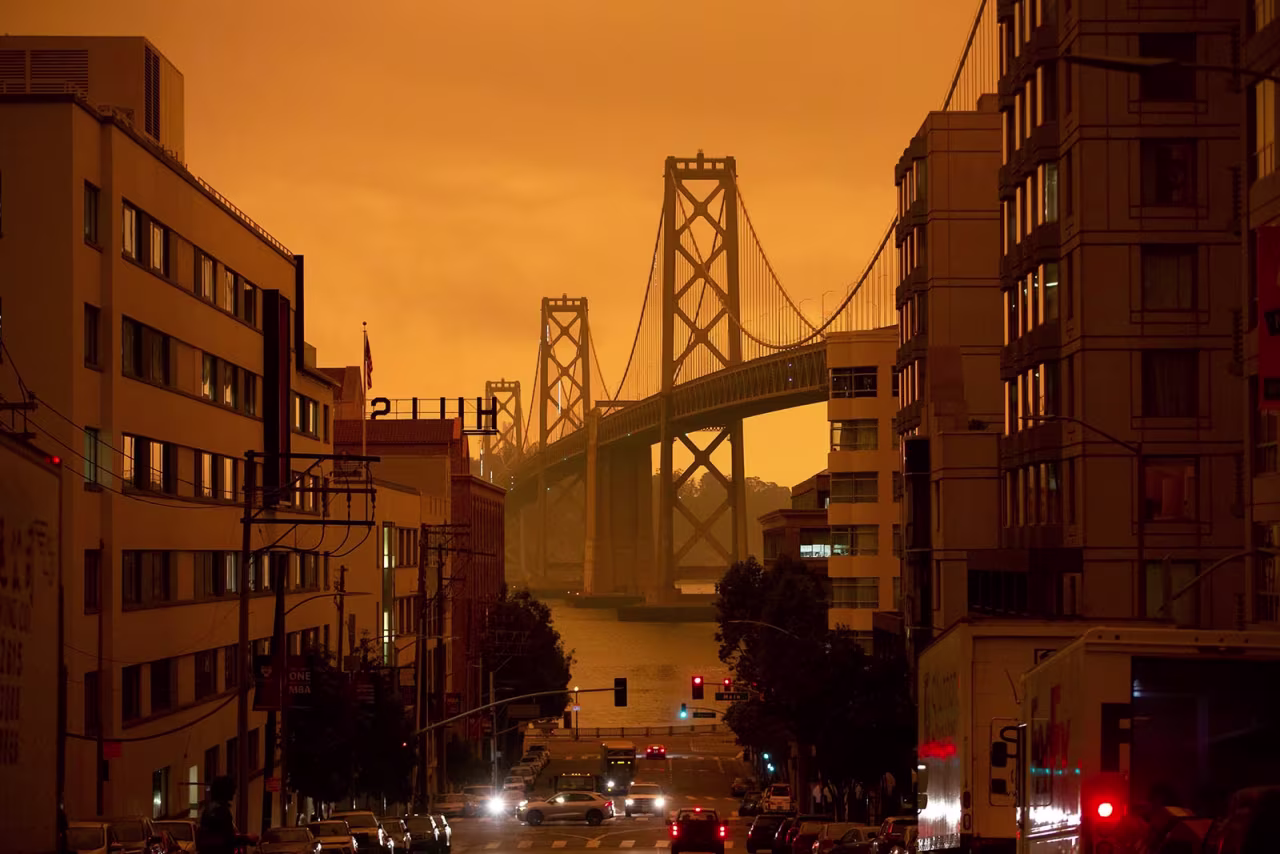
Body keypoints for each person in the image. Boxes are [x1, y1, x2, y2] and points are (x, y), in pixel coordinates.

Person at [196, 775, 238, 854]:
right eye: (231, 789)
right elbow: (225, 838)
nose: (234, 792)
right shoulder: (220, 811)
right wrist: (246, 838)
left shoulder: (210, 809)